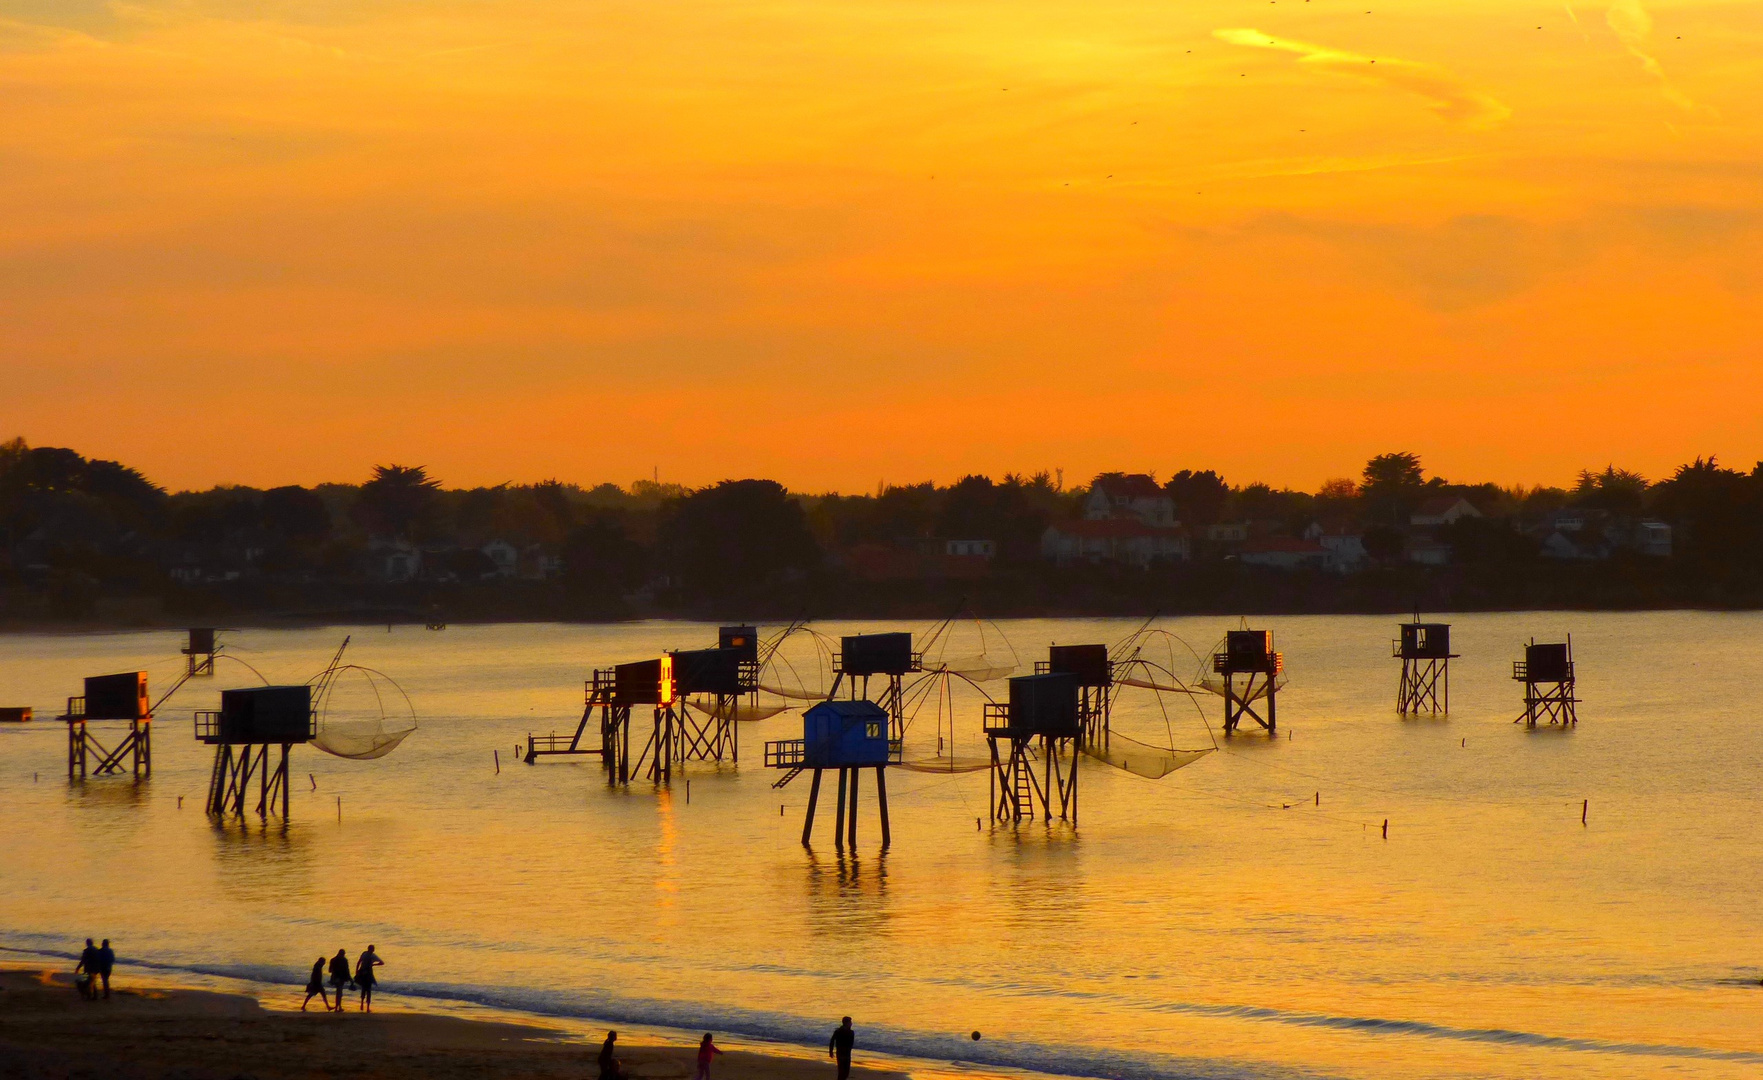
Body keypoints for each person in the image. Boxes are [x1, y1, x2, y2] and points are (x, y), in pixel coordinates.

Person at [354, 945, 383, 1012]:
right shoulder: (373, 956)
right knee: (368, 990)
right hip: (368, 974)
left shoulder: (364, 953)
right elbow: (382, 962)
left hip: (362, 972)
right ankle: (367, 1007)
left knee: (363, 989)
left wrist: (357, 970)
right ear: (373, 949)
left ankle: (361, 1004)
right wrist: (373, 965)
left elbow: (359, 962)